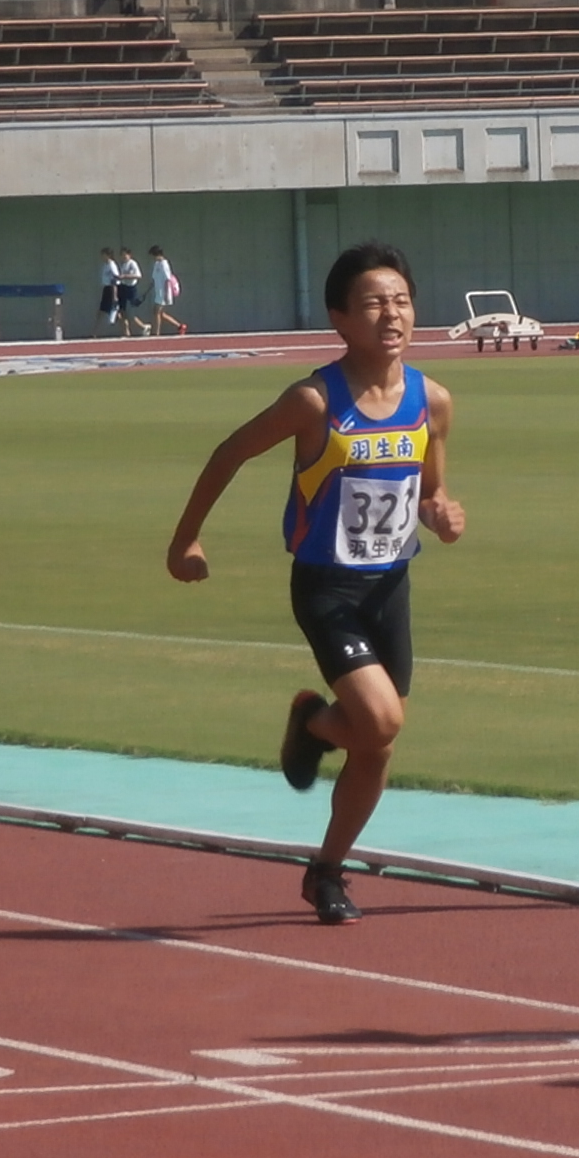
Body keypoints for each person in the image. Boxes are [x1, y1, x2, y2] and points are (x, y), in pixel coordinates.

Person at [166, 240, 465, 925]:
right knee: (381, 720)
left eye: (401, 301)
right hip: (327, 587)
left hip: (390, 587)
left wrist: (443, 514)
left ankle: (327, 868)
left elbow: (430, 491)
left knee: (377, 744)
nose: (392, 315)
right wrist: (186, 540)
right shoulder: (313, 400)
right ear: (340, 318)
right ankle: (315, 723)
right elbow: (229, 452)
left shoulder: (433, 401)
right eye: (373, 304)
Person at [148, 245, 189, 336]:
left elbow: (168, 279)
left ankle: (156, 333)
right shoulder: (156, 264)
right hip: (158, 292)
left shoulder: (164, 264)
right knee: (161, 313)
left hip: (164, 292)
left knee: (156, 312)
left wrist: (166, 293)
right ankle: (180, 326)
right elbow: (154, 278)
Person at [117, 248, 152, 336]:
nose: (123, 257)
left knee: (130, 313)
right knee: (121, 312)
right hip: (123, 288)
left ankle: (144, 326)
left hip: (131, 289)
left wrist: (125, 276)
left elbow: (138, 275)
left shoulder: (132, 263)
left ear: (129, 255)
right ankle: (126, 333)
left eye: (125, 255)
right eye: (122, 255)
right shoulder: (122, 265)